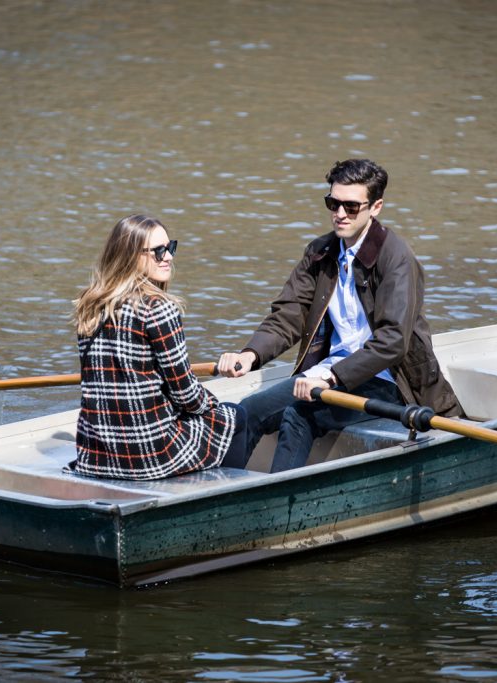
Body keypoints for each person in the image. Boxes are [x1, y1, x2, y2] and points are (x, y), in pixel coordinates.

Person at [217, 158, 462, 472]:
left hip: (389, 382)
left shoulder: (398, 258)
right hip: (331, 373)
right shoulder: (320, 252)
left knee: (300, 414)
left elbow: (393, 342)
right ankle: (222, 493)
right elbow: (289, 315)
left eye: (351, 206)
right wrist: (250, 355)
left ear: (375, 207)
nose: (340, 214)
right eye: (333, 203)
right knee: (245, 413)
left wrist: (333, 377)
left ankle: (276, 506)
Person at [71, 214, 249, 480]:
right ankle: (224, 494)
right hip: (148, 455)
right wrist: (213, 404)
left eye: (170, 247)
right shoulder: (158, 309)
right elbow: (186, 394)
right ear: (130, 256)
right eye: (158, 252)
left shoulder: (91, 306)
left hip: (95, 454)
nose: (168, 257)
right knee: (235, 415)